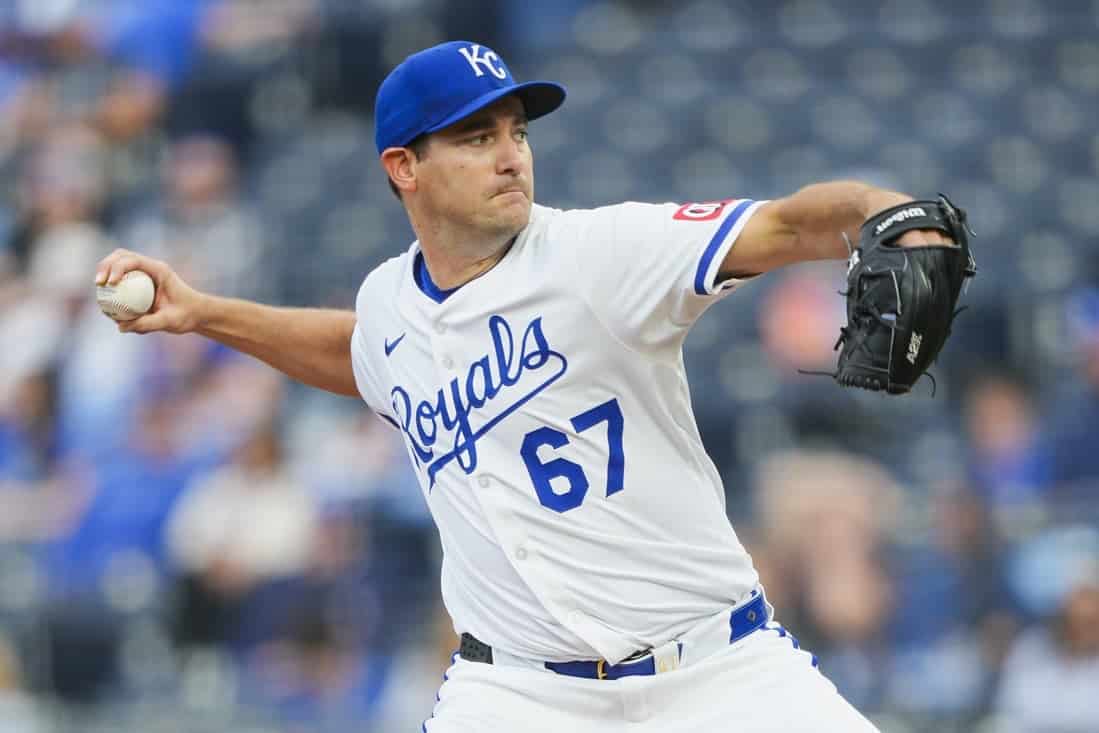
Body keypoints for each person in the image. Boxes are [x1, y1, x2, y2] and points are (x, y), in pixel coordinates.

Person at [95, 41, 955, 732]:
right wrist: (203, 313)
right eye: (476, 138)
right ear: (404, 166)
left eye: (517, 131)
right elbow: (363, 355)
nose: (511, 157)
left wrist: (890, 207)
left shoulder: (602, 255)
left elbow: (784, 222)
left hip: (717, 672)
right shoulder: (388, 304)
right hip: (519, 696)